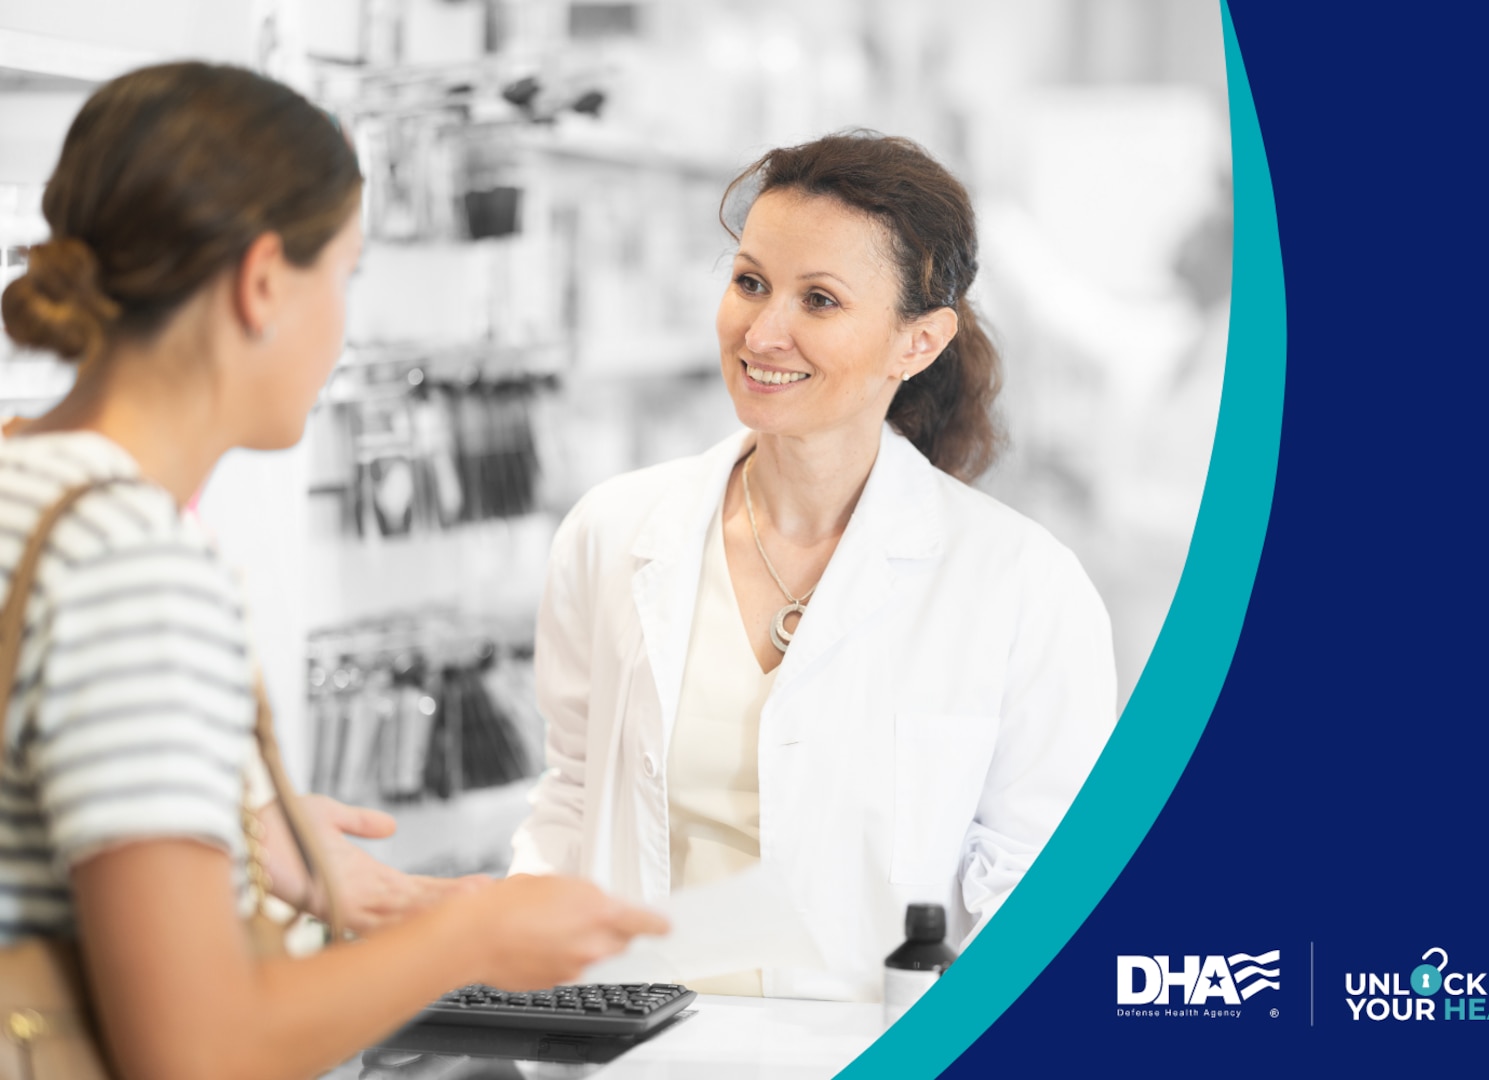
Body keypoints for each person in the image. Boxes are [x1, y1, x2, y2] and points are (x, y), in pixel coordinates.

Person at [0, 62, 664, 1080]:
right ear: (264, 281)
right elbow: (196, 1052)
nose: (344, 321)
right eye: (345, 277)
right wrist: (472, 940)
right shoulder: (130, 560)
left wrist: (217, 838)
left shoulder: (22, 483)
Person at [509, 132, 1117, 1001]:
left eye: (820, 300)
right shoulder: (613, 534)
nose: (762, 331)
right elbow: (573, 798)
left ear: (920, 341)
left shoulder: (1023, 587)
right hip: (631, 1054)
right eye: (749, 281)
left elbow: (1045, 893)